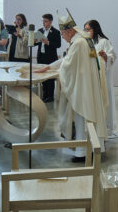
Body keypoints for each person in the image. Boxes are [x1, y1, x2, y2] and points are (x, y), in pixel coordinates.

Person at [37, 10, 109, 161]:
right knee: (88, 118)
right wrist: (49, 67)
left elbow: (67, 66)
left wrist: (54, 72)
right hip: (86, 85)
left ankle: (82, 153)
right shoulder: (82, 40)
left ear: (69, 31)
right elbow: (67, 60)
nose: (62, 37)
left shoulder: (78, 43)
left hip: (81, 88)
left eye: (63, 34)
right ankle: (91, 149)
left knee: (82, 118)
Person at [83, 19, 117, 137]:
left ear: (95, 29)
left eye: (88, 29)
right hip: (90, 78)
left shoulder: (104, 41)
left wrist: (105, 56)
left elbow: (113, 56)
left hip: (102, 77)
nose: (86, 32)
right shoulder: (86, 42)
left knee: (104, 101)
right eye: (85, 29)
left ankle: (106, 128)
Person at [36, 13, 61, 102]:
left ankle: (50, 96)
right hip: (41, 56)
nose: (43, 23)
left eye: (45, 21)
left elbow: (58, 45)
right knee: (42, 77)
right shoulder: (40, 31)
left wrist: (48, 42)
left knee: (49, 77)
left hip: (50, 57)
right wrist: (34, 40)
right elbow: (36, 43)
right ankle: (45, 95)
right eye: (43, 21)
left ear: (50, 22)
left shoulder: (56, 32)